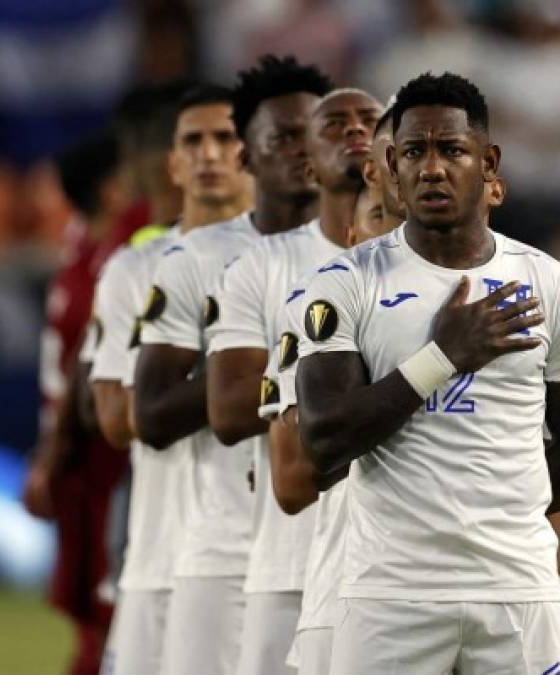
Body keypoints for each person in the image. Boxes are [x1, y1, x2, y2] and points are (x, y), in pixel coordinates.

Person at [294, 72, 560, 674]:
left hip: (516, 591)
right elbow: (322, 442)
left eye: (453, 150)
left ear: (488, 163)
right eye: (415, 151)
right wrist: (442, 357)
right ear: (391, 165)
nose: (433, 168)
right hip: (388, 595)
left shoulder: (557, 290)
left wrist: (490, 511)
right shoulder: (345, 285)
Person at [133, 56, 329, 675]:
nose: (303, 150)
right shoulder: (198, 260)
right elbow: (153, 414)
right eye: (284, 136)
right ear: (250, 154)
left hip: (341, 545)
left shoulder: (374, 260)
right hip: (227, 548)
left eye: (313, 133)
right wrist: (254, 369)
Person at [206, 84, 381, 675]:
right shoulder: (265, 267)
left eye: (370, 120)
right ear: (308, 160)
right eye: (337, 124)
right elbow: (229, 411)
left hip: (400, 568)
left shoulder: (441, 271)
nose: (357, 131)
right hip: (288, 558)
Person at [87, 83, 249, 675]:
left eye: (225, 138)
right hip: (161, 557)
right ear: (173, 163)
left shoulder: (301, 263)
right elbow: (115, 418)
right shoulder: (134, 270)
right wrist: (240, 376)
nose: (209, 154)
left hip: (276, 559)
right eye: (194, 142)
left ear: (254, 151)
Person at [21, 129, 131, 675]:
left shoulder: (79, 248)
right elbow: (86, 361)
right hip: (100, 451)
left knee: (102, 614)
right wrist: (55, 448)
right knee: (108, 613)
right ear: (112, 190)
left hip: (83, 449)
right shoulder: (115, 256)